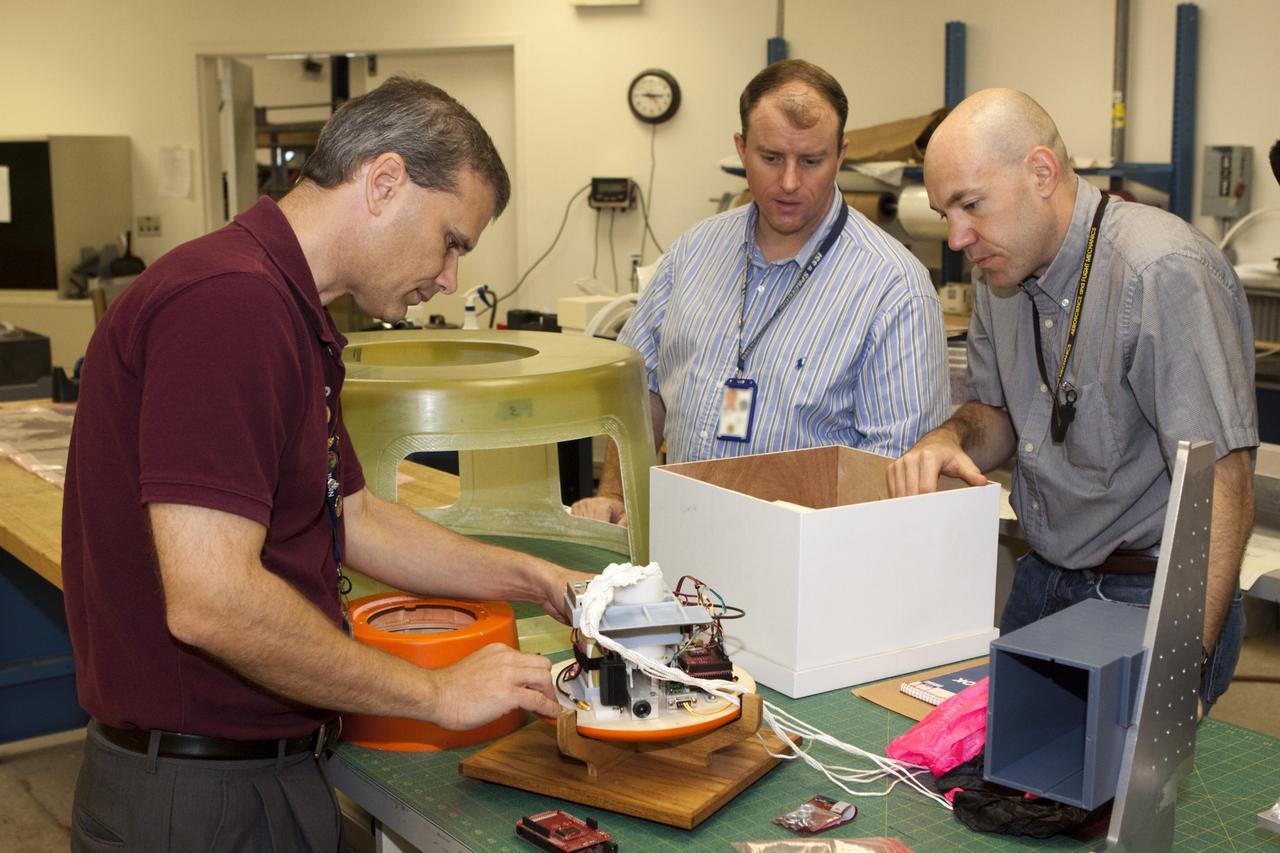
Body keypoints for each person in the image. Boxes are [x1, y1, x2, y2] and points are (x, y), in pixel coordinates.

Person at [61, 77, 590, 850]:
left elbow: (352, 516)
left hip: (260, 776)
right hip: (200, 797)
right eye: (452, 240)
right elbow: (210, 597)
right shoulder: (229, 306)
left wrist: (533, 577)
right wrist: (435, 692)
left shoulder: (284, 309)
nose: (449, 279)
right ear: (383, 182)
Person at [886, 88, 1255, 713]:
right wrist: (948, 438)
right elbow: (996, 415)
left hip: (1146, 598)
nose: (956, 236)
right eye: (946, 212)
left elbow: (1224, 486)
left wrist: (1180, 662)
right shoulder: (999, 273)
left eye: (971, 205)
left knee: (1112, 803)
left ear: (1041, 173)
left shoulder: (1161, 272)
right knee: (1007, 786)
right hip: (1044, 580)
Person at [573, 60, 949, 525]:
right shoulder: (693, 252)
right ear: (741, 148)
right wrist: (617, 494)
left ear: (840, 154)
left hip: (803, 567)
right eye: (771, 158)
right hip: (681, 542)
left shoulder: (894, 291)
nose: (790, 182)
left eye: (811, 161)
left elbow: (892, 481)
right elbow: (637, 386)